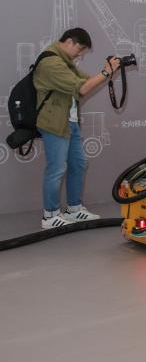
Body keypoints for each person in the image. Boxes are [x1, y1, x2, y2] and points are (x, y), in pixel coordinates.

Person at [34, 28, 120, 229]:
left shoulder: (65, 61)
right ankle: (50, 215)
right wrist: (106, 72)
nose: (80, 54)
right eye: (80, 49)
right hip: (55, 122)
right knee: (56, 169)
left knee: (78, 164)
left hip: (70, 121)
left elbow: (87, 81)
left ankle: (74, 209)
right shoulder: (51, 62)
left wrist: (108, 70)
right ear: (69, 42)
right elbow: (81, 88)